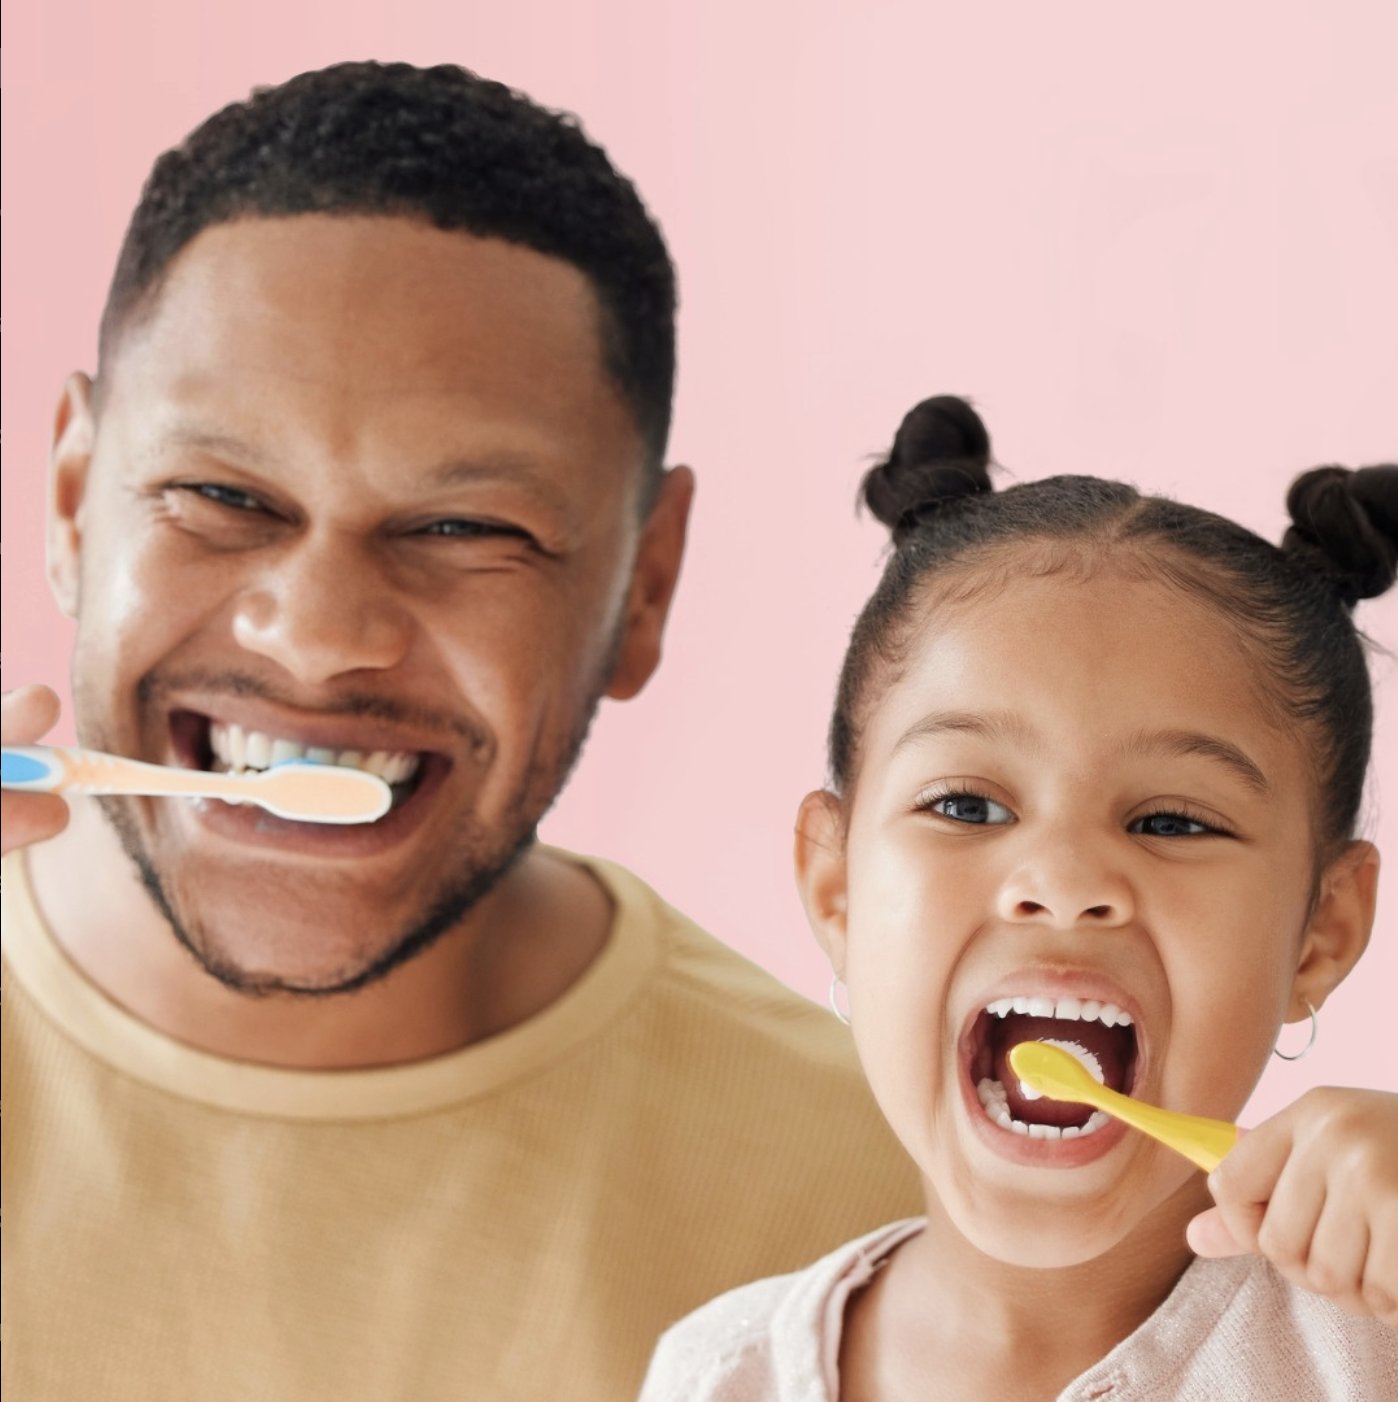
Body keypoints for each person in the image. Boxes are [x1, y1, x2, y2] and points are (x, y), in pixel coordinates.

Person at [0, 62, 919, 1402]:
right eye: (219, 494)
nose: (316, 635)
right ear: (77, 502)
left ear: (643, 584)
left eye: (463, 528)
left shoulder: (879, 1210)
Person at [640, 396, 1398, 1399]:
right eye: (965, 803)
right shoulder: (719, 1374)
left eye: (1172, 822)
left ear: (1320, 933)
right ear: (839, 890)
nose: (1065, 883)